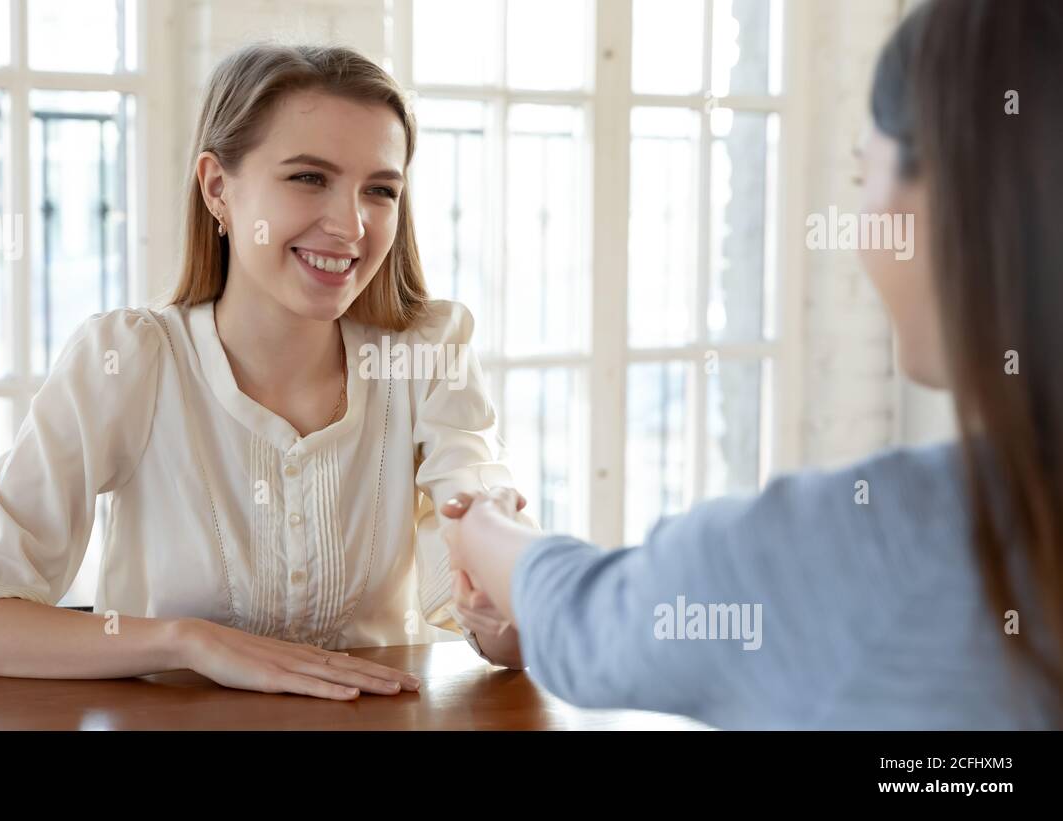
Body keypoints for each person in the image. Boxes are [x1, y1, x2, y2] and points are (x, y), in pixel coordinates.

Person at [441, 0, 1063, 729]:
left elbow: (599, 620)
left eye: (865, 173)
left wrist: (483, 529)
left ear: (956, 196)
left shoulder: (868, 550)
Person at [0, 43, 527, 701]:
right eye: (308, 178)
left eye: (380, 189)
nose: (351, 225)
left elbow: (490, 599)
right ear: (218, 189)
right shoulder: (129, 362)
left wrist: (507, 613)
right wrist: (188, 639)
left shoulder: (427, 352)